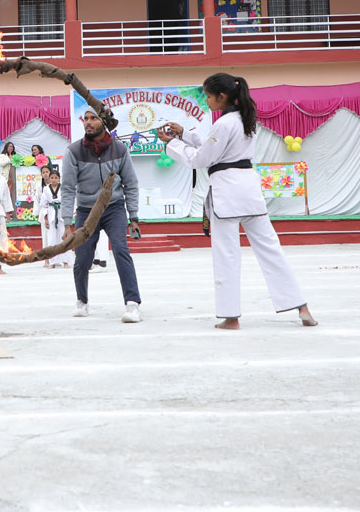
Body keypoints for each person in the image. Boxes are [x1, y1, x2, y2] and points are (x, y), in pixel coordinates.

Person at [158, 73, 317, 330]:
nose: (207, 101)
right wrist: (185, 134)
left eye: (209, 96)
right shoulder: (246, 119)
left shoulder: (224, 124)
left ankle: (231, 317)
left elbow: (201, 159)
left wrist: (172, 144)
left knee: (227, 255)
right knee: (272, 250)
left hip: (227, 194)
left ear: (222, 97)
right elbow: (216, 149)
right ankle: (302, 307)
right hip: (250, 191)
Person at [61, 107, 143, 322]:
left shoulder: (120, 150)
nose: (88, 122)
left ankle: (132, 304)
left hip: (114, 208)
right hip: (87, 210)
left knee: (121, 250)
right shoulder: (74, 151)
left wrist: (133, 217)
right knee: (82, 258)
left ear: (104, 122)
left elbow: (131, 184)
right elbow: (68, 188)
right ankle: (82, 301)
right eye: (85, 119)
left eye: (93, 118)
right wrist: (67, 223)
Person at [39, 167, 69, 268]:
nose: (54, 179)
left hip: (62, 213)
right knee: (51, 239)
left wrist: (70, 215)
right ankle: (52, 262)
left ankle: (66, 261)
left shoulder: (64, 188)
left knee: (64, 238)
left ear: (59, 178)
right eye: (52, 177)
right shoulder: (46, 189)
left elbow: (69, 201)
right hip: (51, 213)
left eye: (56, 177)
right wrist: (45, 218)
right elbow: (43, 205)